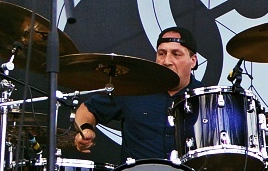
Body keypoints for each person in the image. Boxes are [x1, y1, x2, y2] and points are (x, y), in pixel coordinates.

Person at [73, 26, 201, 161]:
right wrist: (86, 128)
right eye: (162, 54)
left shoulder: (206, 98)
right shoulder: (134, 89)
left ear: (193, 61)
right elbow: (87, 109)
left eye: (176, 54)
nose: (166, 61)